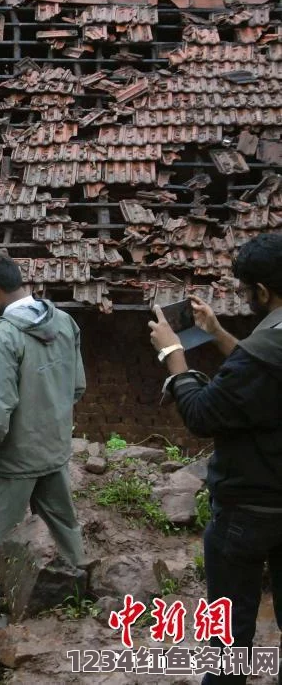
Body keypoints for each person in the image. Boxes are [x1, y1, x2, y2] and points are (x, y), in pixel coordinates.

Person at [148, 232, 282, 685]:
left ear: (262, 292)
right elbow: (263, 368)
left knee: (229, 637)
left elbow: (203, 415)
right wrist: (219, 332)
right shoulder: (269, 348)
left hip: (248, 511)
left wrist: (173, 353)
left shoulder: (257, 362)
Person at [0, 253, 86, 630]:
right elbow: (77, 387)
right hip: (54, 452)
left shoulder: (2, 338)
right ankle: (80, 597)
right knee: (65, 527)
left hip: (10, 463)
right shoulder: (64, 321)